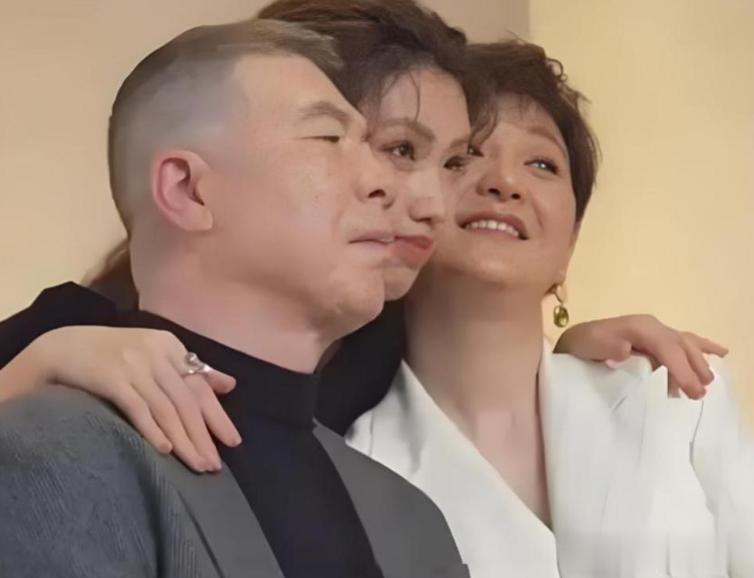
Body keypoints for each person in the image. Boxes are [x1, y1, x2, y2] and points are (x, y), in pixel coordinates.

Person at [0, 16, 471, 578]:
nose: (388, 184)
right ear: (187, 189)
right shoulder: (53, 451)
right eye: (328, 137)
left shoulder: (416, 523)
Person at [346, 40, 754, 576]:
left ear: (571, 244)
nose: (505, 183)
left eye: (541, 163)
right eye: (466, 156)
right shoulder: (356, 470)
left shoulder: (679, 397)